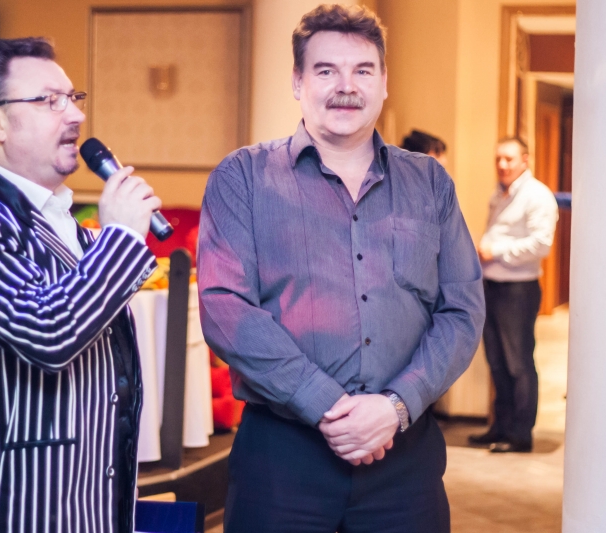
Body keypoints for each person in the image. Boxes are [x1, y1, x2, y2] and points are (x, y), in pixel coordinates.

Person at [197, 5, 485, 532]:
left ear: (384, 83)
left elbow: (462, 310)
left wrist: (395, 407)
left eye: (363, 70)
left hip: (405, 461)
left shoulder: (430, 184)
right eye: (326, 70)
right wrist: (330, 407)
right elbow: (225, 309)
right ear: (297, 81)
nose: (346, 87)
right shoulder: (243, 178)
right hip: (282, 461)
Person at [0, 38, 161, 533]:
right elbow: (47, 333)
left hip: (85, 504)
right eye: (50, 101)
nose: (75, 115)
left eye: (73, 98)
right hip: (11, 506)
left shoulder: (61, 220)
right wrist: (119, 238)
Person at [469, 137, 558, 453]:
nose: (502, 165)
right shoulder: (499, 193)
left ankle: (520, 434)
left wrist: (495, 251)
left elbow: (541, 244)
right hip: (491, 286)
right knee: (496, 361)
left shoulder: (537, 195)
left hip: (518, 290)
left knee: (518, 362)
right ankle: (501, 427)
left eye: (509, 159)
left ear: (525, 160)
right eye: (498, 159)